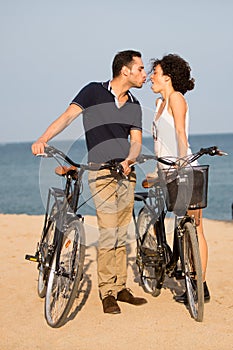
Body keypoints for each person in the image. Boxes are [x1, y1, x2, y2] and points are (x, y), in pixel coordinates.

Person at [32, 50, 148, 314]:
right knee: (108, 231)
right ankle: (107, 291)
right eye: (140, 68)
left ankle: (120, 286)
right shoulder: (93, 91)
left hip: (126, 174)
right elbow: (67, 117)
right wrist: (43, 138)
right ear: (125, 71)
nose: (145, 74)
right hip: (101, 174)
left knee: (122, 232)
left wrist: (129, 160)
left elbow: (137, 142)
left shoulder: (134, 104)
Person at [149, 53, 210, 303]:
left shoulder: (176, 98)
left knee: (195, 227)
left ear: (168, 77)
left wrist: (182, 164)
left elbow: (180, 134)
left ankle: (201, 286)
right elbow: (159, 141)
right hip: (167, 171)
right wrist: (157, 169)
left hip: (183, 169)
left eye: (155, 73)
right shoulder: (157, 103)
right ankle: (183, 271)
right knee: (180, 224)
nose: (151, 77)